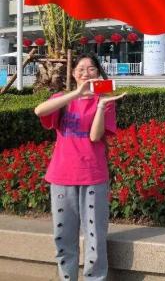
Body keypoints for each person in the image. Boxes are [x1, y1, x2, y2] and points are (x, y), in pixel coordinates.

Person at [34, 53, 126, 281]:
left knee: (95, 236)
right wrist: (76, 93)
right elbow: (39, 111)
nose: (86, 72)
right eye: (81, 69)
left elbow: (95, 136)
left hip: (93, 176)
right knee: (63, 236)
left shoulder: (105, 101)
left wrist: (101, 105)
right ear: (74, 73)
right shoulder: (62, 98)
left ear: (98, 73)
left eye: (91, 68)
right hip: (62, 175)